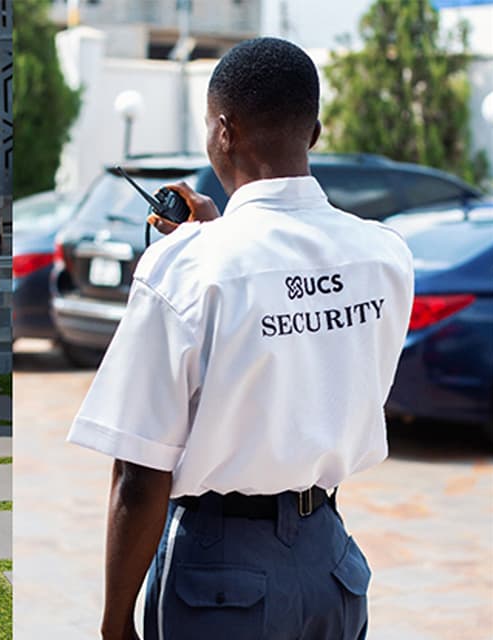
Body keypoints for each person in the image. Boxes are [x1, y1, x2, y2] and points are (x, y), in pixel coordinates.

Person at [67, 37, 414, 640]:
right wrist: (218, 238)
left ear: (223, 131)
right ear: (315, 133)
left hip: (219, 575)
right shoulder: (384, 255)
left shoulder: (187, 268)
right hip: (331, 564)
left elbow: (140, 473)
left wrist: (115, 624)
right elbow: (294, 314)